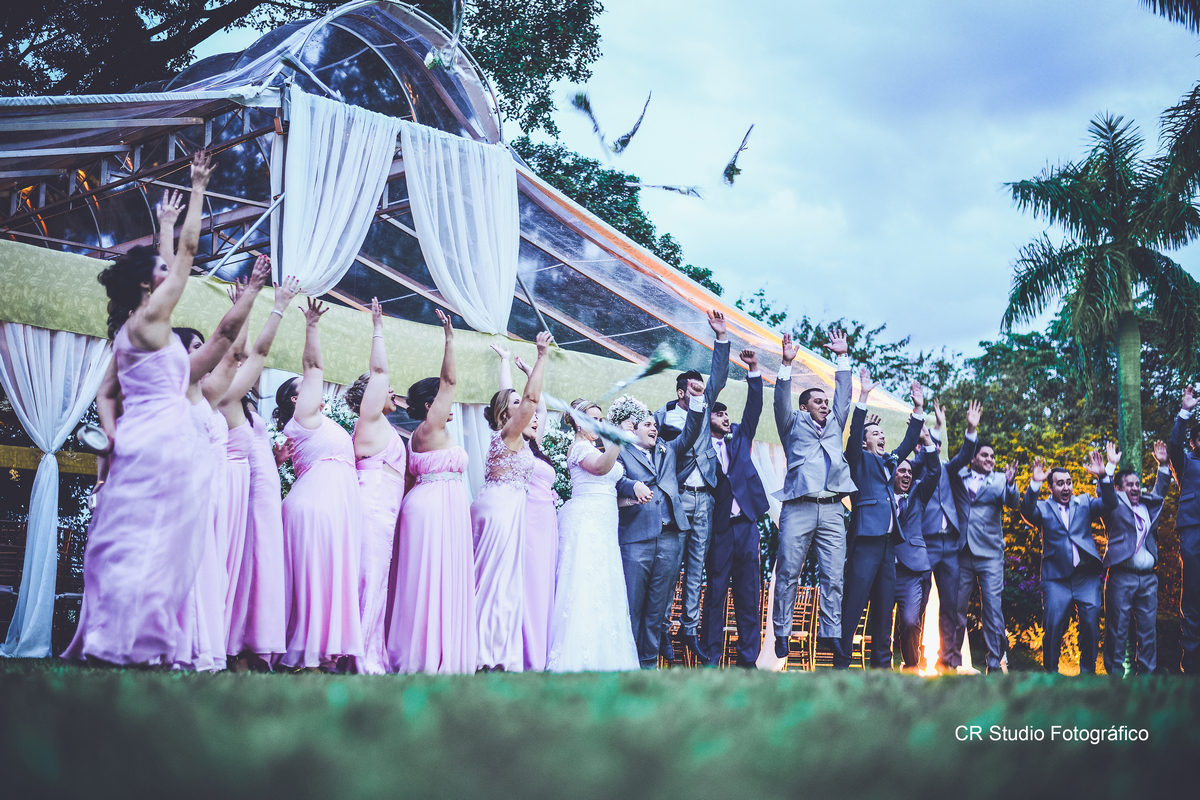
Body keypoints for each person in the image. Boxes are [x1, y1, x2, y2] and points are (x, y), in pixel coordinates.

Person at [63, 154, 214, 667]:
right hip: (168, 440)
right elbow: (187, 254)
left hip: (135, 439)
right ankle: (135, 641)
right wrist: (197, 188)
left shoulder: (131, 331)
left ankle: (123, 639)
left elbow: (106, 395)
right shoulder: (153, 319)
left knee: (131, 536)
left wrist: (112, 436)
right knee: (164, 541)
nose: (169, 272)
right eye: (160, 271)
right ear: (150, 285)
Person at [172, 257, 270, 672]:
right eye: (195, 347)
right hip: (180, 494)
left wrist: (248, 302)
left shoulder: (207, 394)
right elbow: (231, 347)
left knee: (207, 571)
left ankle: (198, 645)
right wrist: (249, 297)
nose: (205, 352)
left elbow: (236, 355)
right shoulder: (174, 390)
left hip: (208, 496)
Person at [385, 310, 476, 674]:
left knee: (427, 578)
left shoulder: (420, 437)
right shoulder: (430, 426)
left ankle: (425, 650)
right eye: (441, 399)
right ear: (430, 405)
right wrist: (450, 338)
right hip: (435, 507)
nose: (449, 401)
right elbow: (450, 380)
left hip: (428, 504)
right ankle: (427, 654)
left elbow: (408, 481)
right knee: (432, 578)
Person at [277, 298, 364, 671]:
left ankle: (323, 654)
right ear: (297, 399)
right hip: (317, 505)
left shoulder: (319, 422)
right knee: (317, 579)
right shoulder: (303, 416)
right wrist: (311, 325)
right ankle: (308, 654)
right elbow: (313, 367)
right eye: (308, 388)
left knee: (328, 578)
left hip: (331, 504)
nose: (318, 390)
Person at [220, 273, 301, 670]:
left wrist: (277, 458)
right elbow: (249, 353)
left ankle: (254, 643)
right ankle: (236, 644)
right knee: (248, 563)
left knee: (262, 565)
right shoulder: (224, 397)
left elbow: (245, 354)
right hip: (247, 492)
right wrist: (267, 306)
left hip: (265, 491)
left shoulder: (247, 408)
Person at [771, 328, 855, 659]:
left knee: (833, 575)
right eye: (817, 401)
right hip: (798, 507)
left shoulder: (836, 422)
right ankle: (782, 631)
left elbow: (844, 396)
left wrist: (842, 357)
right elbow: (780, 400)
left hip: (833, 508)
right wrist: (786, 364)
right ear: (804, 407)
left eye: (825, 400)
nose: (824, 404)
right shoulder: (791, 423)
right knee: (788, 571)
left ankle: (830, 633)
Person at [834, 373, 927, 669]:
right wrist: (863, 396)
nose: (882, 437)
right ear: (865, 443)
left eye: (883, 434)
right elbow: (853, 437)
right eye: (876, 434)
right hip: (866, 542)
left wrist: (918, 409)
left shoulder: (890, 462)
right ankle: (841, 663)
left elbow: (909, 441)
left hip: (889, 547)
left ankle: (882, 668)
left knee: (885, 609)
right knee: (853, 604)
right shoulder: (858, 459)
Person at [472, 332, 552, 672]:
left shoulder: (512, 435)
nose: (527, 408)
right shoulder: (508, 433)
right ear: (506, 413)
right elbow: (530, 399)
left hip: (503, 505)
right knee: (495, 582)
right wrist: (541, 356)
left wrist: (510, 365)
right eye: (516, 404)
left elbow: (529, 402)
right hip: (501, 509)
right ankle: (482, 652)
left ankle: (494, 652)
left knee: (500, 581)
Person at [652, 311, 730, 659]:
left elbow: (720, 376)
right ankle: (663, 630)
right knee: (672, 566)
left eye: (702, 387)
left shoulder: (706, 404)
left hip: (705, 498)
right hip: (678, 496)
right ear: (681, 391)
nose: (699, 390)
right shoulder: (662, 415)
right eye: (693, 388)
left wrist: (721, 338)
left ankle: (688, 630)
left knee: (697, 566)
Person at [614, 391, 706, 669]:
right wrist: (633, 486)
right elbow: (615, 480)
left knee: (658, 608)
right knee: (632, 605)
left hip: (669, 537)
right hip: (636, 536)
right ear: (632, 429)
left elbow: (691, 432)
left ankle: (649, 664)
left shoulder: (668, 449)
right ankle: (628, 664)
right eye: (647, 424)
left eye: (655, 424)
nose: (654, 427)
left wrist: (697, 401)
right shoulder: (620, 450)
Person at [547, 399, 640, 672]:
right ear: (578, 422)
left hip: (605, 524)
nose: (599, 424)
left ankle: (606, 658)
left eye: (601, 420)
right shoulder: (579, 448)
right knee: (584, 586)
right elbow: (600, 468)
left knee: (604, 586)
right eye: (593, 419)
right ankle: (577, 659)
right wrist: (619, 438)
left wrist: (630, 501)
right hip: (586, 524)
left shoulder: (594, 448)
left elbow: (605, 492)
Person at [344, 298, 407, 675]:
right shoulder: (369, 420)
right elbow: (379, 370)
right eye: (385, 389)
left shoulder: (381, 425)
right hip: (372, 505)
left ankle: (365, 651)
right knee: (368, 577)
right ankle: (357, 657)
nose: (392, 390)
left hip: (384, 507)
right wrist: (378, 328)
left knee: (375, 578)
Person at [696, 349, 771, 667]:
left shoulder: (740, 436)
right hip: (719, 530)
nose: (726, 418)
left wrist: (754, 370)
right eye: (719, 414)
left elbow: (754, 407)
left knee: (748, 595)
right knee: (715, 594)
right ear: (708, 418)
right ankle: (711, 658)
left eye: (727, 414)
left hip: (747, 526)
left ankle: (748, 660)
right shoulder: (699, 444)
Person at [1019, 446, 1119, 675]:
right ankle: (1051, 672)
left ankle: (1087, 673)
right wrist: (1034, 483)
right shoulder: (1043, 508)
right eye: (1060, 484)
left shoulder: (1084, 502)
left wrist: (1104, 476)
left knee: (1091, 621)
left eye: (1068, 482)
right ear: (1050, 487)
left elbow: (1109, 503)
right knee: (1053, 625)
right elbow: (1026, 511)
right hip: (1056, 579)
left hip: (1086, 577)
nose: (1066, 487)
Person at [490, 343, 558, 671]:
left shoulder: (533, 444)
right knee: (524, 584)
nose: (528, 414)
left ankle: (538, 652)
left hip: (546, 523)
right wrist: (506, 363)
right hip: (523, 519)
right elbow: (513, 401)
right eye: (515, 406)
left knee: (542, 585)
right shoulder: (512, 440)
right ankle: (522, 651)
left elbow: (537, 407)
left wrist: (530, 371)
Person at [949, 401, 1018, 674]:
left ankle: (995, 663)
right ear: (973, 458)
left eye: (992, 456)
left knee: (992, 610)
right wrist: (971, 428)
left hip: (990, 554)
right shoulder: (958, 474)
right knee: (956, 608)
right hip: (961, 552)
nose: (990, 460)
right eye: (985, 455)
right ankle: (952, 661)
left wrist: (1011, 483)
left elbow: (1013, 502)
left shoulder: (1001, 480)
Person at [910, 399, 974, 673]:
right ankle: (915, 659)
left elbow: (965, 455)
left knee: (951, 605)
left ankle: (946, 661)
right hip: (925, 544)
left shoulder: (948, 468)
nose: (935, 448)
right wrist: (932, 428)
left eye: (937, 445)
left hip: (950, 545)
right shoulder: (913, 471)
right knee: (919, 604)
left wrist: (971, 429)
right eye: (928, 444)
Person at [1101, 441, 1172, 677]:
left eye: (1137, 484)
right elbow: (1104, 493)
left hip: (1148, 579)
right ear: (1119, 488)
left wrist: (1163, 465)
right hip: (1122, 577)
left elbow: (1160, 491)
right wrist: (1110, 465)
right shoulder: (1113, 506)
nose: (1135, 488)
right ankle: (1114, 680)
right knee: (1117, 631)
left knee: (1148, 632)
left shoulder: (1148, 506)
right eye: (1129, 484)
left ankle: (1146, 680)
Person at [891, 428, 942, 672]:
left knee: (911, 622)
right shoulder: (881, 492)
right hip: (883, 567)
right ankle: (881, 669)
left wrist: (927, 441)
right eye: (901, 470)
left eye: (910, 472)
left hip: (911, 571)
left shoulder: (918, 493)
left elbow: (934, 471)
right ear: (891, 474)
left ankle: (910, 666)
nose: (907, 475)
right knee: (881, 624)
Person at [1169, 386, 1200, 673]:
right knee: (1192, 596)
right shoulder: (1185, 462)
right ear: (1194, 441)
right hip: (1193, 533)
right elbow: (1173, 445)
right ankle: (1190, 663)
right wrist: (1185, 411)